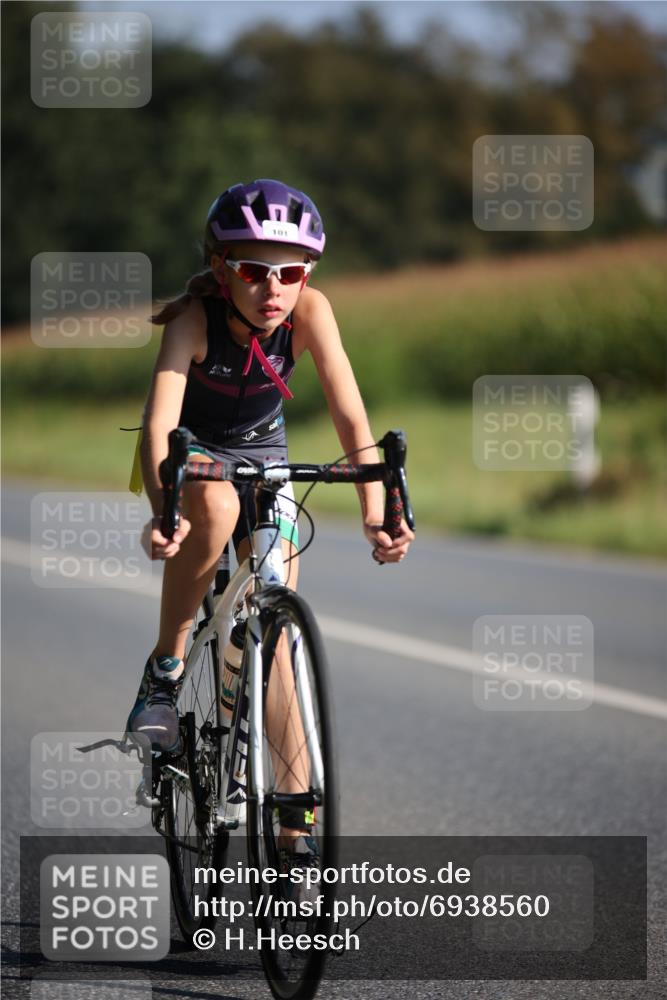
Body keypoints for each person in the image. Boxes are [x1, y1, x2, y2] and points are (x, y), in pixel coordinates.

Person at [126, 178, 414, 867]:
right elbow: (160, 421)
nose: (274, 287)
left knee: (276, 626)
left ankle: (292, 830)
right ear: (222, 270)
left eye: (290, 271)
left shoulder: (311, 311)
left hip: (263, 455)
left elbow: (350, 415)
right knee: (218, 506)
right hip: (188, 454)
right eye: (254, 270)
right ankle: (165, 671)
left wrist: (376, 510)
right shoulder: (194, 320)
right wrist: (165, 509)